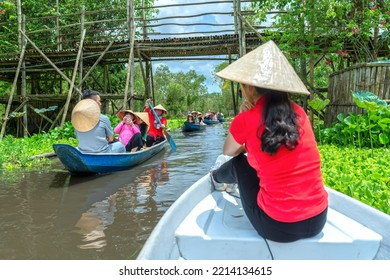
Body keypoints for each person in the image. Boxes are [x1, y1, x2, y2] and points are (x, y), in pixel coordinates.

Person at [210, 40, 328, 243]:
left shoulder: (246, 118)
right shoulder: (299, 113)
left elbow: (229, 151)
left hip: (278, 227)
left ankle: (216, 178)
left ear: (248, 86)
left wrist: (243, 119)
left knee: (239, 163)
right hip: (318, 219)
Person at [72, 89, 125, 153]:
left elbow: (78, 136)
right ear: (93, 103)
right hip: (102, 153)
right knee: (120, 145)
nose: (100, 104)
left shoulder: (77, 119)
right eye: (99, 101)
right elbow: (111, 139)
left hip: (83, 152)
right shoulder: (103, 118)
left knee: (76, 148)